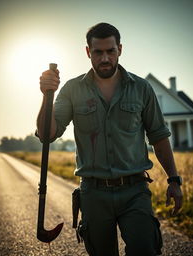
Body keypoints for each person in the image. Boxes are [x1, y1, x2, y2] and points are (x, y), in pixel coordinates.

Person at [37, 22, 183, 256]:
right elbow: (47, 134)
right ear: (88, 52)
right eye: (98, 52)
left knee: (145, 250)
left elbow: (159, 135)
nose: (105, 58)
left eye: (110, 51)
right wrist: (46, 96)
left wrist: (174, 180)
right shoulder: (72, 90)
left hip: (135, 191)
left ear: (120, 50)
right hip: (94, 194)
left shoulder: (141, 88)